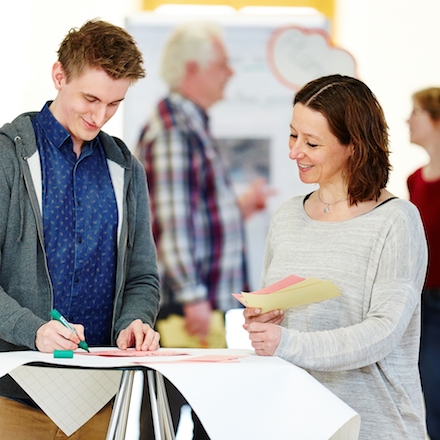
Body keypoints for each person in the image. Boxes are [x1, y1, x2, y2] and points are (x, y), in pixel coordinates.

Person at [243, 74, 428, 440]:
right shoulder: (287, 217)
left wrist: (288, 342)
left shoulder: (396, 221)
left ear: (354, 147)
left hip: (374, 428)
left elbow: (382, 333)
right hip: (294, 424)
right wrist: (265, 317)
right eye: (293, 135)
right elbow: (277, 319)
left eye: (312, 142)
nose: (295, 152)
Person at [0, 19, 160, 440]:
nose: (100, 115)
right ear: (59, 75)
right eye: (90, 98)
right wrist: (32, 330)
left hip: (100, 399)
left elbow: (142, 277)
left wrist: (135, 321)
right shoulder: (6, 159)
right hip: (11, 396)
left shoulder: (125, 168)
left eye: (114, 104)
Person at [136, 22, 271, 439]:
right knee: (183, 416)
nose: (230, 73)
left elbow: (189, 211)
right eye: (223, 65)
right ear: (193, 69)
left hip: (195, 307)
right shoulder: (176, 130)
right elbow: (171, 227)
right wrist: (194, 299)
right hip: (186, 311)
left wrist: (238, 208)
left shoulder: (186, 123)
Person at [407, 87, 440, 440]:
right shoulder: (415, 180)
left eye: (416, 112)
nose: (407, 120)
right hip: (423, 305)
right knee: (428, 400)